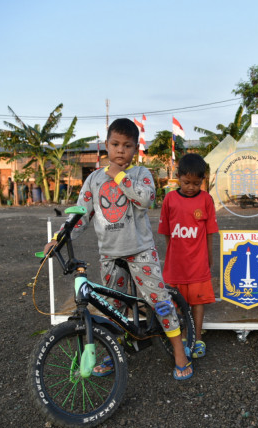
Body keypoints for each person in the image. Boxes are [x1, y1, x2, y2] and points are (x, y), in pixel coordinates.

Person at [44, 118, 193, 380]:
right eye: (115, 144)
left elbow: (145, 199)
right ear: (106, 145)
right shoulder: (93, 181)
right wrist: (60, 236)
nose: (120, 150)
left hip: (140, 251)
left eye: (127, 145)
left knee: (159, 301)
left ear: (135, 149)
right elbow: (81, 215)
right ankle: (115, 351)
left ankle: (180, 351)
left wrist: (119, 176)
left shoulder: (140, 175)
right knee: (113, 307)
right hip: (110, 256)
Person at [158, 153, 218, 359]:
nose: (191, 187)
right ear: (178, 177)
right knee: (177, 303)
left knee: (197, 303)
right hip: (175, 266)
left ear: (203, 180)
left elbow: (210, 233)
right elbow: (166, 234)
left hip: (198, 265)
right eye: (186, 182)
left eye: (196, 183)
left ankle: (197, 338)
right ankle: (184, 337)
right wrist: (171, 256)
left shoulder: (206, 200)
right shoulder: (169, 199)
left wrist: (209, 259)